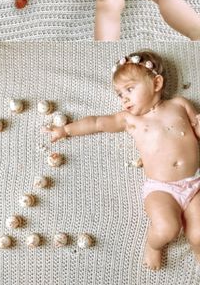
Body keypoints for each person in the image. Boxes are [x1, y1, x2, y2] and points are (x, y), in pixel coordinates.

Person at [50, 52, 200, 269]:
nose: (124, 98)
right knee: (167, 229)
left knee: (199, 234)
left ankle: (197, 248)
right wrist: (65, 130)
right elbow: (98, 123)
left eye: (130, 89)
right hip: (162, 188)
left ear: (156, 83)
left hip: (195, 183)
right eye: (120, 94)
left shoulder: (179, 104)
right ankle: (154, 246)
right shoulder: (130, 119)